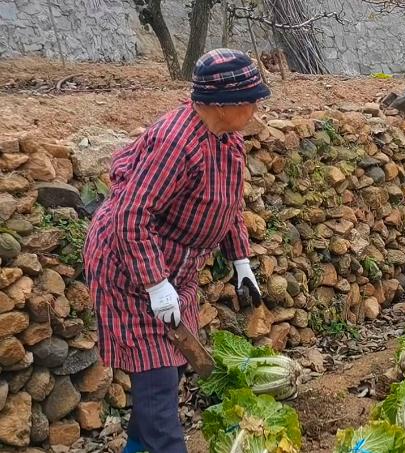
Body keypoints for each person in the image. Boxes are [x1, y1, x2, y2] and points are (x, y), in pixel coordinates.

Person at [83, 48, 270, 453]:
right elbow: (131, 215)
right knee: (158, 378)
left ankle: (137, 446)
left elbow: (229, 205)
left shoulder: (228, 140)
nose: (256, 107)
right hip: (128, 267)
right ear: (224, 104)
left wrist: (241, 262)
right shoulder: (177, 142)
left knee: (168, 370)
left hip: (176, 270)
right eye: (251, 99)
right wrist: (154, 284)